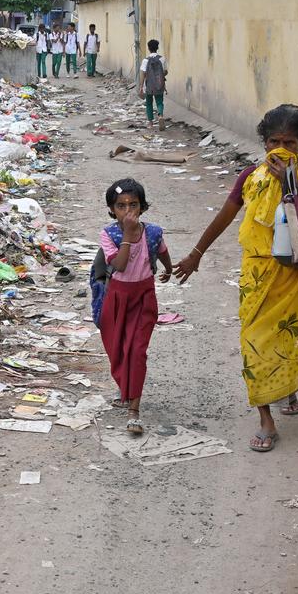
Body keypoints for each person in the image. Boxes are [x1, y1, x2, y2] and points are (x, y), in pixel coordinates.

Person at [174, 104, 298, 452]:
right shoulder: (250, 176)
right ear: (263, 143)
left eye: (290, 143)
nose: (282, 149)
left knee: (290, 334)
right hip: (259, 272)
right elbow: (225, 216)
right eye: (274, 141)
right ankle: (266, 418)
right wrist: (196, 254)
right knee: (254, 341)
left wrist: (294, 185)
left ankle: (287, 387)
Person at [98, 179, 172, 435]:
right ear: (112, 209)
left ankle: (134, 411)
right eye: (121, 206)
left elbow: (161, 251)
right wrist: (128, 238)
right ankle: (125, 388)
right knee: (117, 349)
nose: (128, 211)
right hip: (118, 297)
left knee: (137, 350)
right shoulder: (109, 234)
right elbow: (118, 265)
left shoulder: (153, 232)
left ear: (142, 207)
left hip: (143, 297)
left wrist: (169, 269)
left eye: (133, 205)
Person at [139, 39, 168, 130]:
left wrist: (141, 86)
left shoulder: (145, 60)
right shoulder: (162, 59)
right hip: (159, 84)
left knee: (149, 103)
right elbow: (165, 72)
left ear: (148, 48)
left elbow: (143, 74)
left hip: (149, 85)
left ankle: (150, 123)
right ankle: (160, 115)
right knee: (159, 102)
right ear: (157, 48)